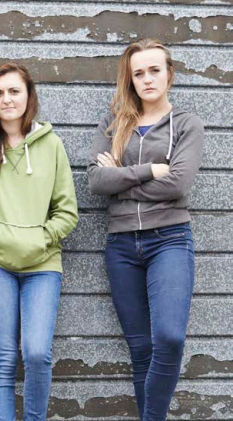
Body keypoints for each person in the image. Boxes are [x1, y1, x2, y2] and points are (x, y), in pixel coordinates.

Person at [87, 38, 204, 421]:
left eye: (155, 70)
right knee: (141, 348)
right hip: (121, 245)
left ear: (169, 74)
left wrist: (120, 177)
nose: (147, 79)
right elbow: (95, 181)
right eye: (138, 73)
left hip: (169, 239)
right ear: (130, 79)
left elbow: (178, 185)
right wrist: (148, 170)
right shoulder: (113, 122)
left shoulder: (187, 124)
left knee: (169, 338)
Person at [0, 63, 78, 421]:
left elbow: (67, 212)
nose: (6, 99)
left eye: (14, 91)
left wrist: (40, 239)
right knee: (5, 355)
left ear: (28, 96)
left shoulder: (51, 145)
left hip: (43, 266)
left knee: (37, 352)